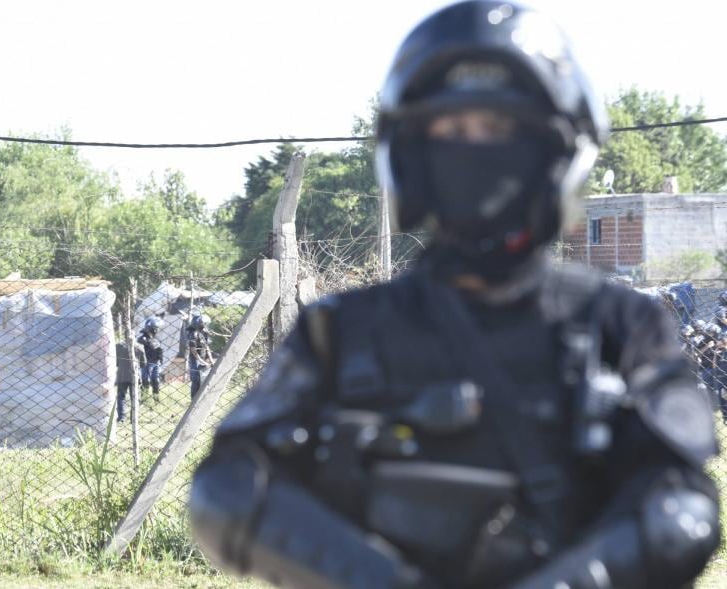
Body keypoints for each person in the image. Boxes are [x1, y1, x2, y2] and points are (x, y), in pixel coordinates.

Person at [189, 3, 721, 588]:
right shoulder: (340, 329)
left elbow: (683, 512)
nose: (474, 150)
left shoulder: (622, 324)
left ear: (553, 150)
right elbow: (227, 489)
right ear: (411, 154)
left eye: (498, 129)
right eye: (450, 130)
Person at [186, 312, 213, 399]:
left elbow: (206, 347)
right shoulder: (192, 334)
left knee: (204, 379)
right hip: (195, 359)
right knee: (195, 379)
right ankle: (193, 399)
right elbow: (194, 351)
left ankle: (202, 398)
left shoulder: (204, 333)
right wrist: (203, 362)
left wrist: (211, 361)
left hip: (203, 357)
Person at [137, 318, 164, 400]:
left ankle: (156, 399)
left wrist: (160, 358)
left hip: (156, 362)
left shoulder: (157, 338)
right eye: (155, 328)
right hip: (146, 362)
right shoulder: (142, 339)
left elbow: (160, 349)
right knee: (146, 381)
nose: (156, 330)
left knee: (156, 381)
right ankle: (143, 398)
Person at [115, 339, 137, 422]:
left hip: (122, 375)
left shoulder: (118, 347)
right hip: (134, 375)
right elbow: (144, 363)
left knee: (121, 397)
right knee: (134, 397)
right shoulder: (138, 347)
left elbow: (116, 362)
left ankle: (121, 417)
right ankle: (134, 418)